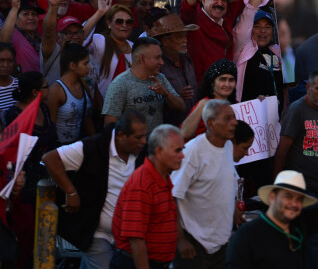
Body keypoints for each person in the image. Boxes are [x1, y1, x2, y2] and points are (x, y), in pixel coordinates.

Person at [42, 111, 148, 269]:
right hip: (96, 233)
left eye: (145, 136)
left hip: (127, 235)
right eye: (138, 137)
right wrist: (71, 192)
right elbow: (50, 158)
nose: (144, 141)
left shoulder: (142, 154)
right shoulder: (91, 147)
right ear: (121, 136)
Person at [225, 154, 318, 269]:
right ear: (272, 197)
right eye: (288, 196)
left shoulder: (300, 222)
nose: (293, 203)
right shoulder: (246, 237)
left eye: (299, 199)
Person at [1, 72, 58, 269]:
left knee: (45, 226)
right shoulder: (13, 115)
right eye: (45, 86)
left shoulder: (44, 108)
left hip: (46, 178)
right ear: (35, 92)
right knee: (24, 229)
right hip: (22, 181)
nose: (49, 89)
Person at [171, 100, 237, 268]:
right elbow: (171, 196)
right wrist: (180, 240)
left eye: (234, 117)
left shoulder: (228, 146)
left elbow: (225, 183)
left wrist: (234, 210)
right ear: (210, 123)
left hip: (220, 243)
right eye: (228, 118)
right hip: (194, 245)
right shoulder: (192, 151)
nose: (234, 122)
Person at [181, 0, 265, 82]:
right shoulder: (194, 17)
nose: (220, 3)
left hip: (226, 86)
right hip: (202, 88)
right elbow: (186, 8)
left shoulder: (227, 14)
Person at [111, 124, 184, 268]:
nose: (182, 155)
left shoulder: (162, 177)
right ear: (159, 151)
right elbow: (136, 240)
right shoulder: (142, 183)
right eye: (177, 150)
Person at [274, 70, 318, 196]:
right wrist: (277, 188)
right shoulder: (296, 110)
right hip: (301, 189)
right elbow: (281, 152)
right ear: (308, 87)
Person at [103, 37, 185, 133]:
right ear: (142, 59)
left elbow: (182, 108)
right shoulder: (119, 84)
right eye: (157, 58)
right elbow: (109, 126)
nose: (162, 62)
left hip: (156, 144)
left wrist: (166, 94)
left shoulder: (160, 78)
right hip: (134, 147)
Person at [233, 0, 282, 105]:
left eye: (267, 27)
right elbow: (249, 14)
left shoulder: (278, 52)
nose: (262, 31)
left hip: (276, 122)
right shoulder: (242, 49)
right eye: (257, 26)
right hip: (249, 120)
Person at [41, 0, 111, 86]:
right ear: (59, 36)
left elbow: (83, 32)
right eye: (69, 33)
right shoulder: (52, 52)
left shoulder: (86, 53)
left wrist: (100, 12)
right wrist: (53, 8)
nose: (74, 36)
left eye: (77, 32)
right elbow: (48, 34)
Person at [152, 14, 199, 125]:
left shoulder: (187, 59)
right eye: (179, 37)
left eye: (185, 36)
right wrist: (174, 97)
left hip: (193, 126)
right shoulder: (158, 66)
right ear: (165, 41)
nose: (185, 40)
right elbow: (149, 102)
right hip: (170, 127)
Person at [47, 43, 95, 145]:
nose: (89, 67)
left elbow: (87, 119)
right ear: (72, 65)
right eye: (85, 63)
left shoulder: (83, 85)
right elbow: (51, 125)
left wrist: (96, 142)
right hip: (60, 147)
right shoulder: (56, 90)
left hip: (77, 145)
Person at [180, 59, 237, 140]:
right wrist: (203, 104)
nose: (227, 84)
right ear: (212, 82)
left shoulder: (236, 105)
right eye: (222, 79)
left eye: (231, 80)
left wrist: (259, 103)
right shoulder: (204, 103)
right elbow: (184, 133)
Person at [87, 4, 134, 99]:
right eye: (119, 21)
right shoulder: (100, 41)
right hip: (103, 107)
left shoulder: (134, 46)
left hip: (129, 107)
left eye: (129, 22)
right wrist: (99, 13)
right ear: (108, 23)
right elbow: (81, 39)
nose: (124, 25)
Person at [0, 0, 45, 73]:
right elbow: (3, 40)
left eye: (34, 14)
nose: (31, 17)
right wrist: (15, 8)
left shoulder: (39, 38)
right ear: (16, 18)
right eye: (25, 14)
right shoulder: (13, 34)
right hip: (20, 84)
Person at [0, 43, 18, 111]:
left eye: (9, 61)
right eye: (1, 60)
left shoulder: (20, 86)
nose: (5, 65)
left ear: (14, 63)